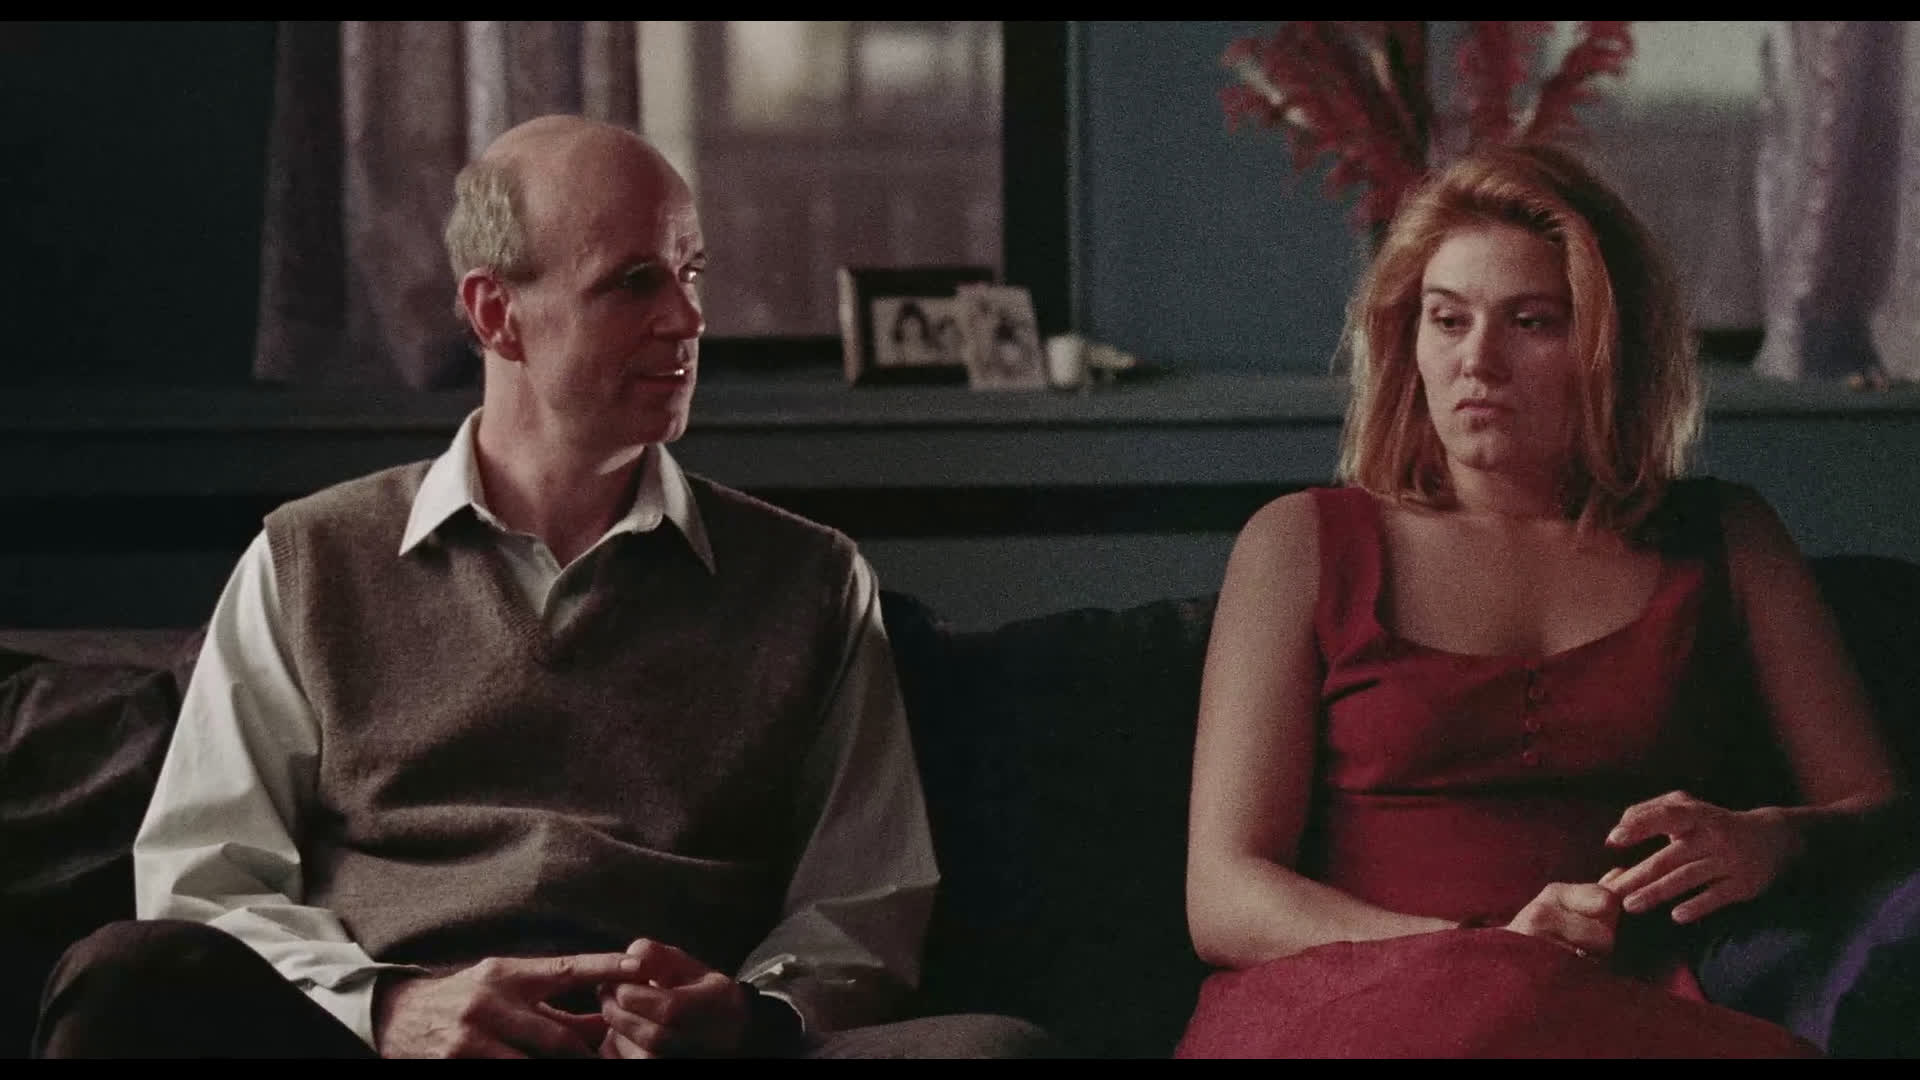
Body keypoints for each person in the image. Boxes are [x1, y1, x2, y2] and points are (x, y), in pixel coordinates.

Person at [34, 114, 1059, 1060]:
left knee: (990, 1052)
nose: (689, 317)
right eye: (634, 282)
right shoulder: (308, 559)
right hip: (384, 1040)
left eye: (691, 273)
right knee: (128, 977)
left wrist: (751, 1016)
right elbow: (205, 881)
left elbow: (864, 904)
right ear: (498, 313)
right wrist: (389, 1007)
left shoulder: (814, 582)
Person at [1175, 143, 1906, 1058]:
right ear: (1407, 341)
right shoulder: (1298, 543)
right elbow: (1225, 896)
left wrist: (1773, 841)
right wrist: (1481, 951)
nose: (1478, 361)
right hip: (1357, 995)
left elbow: (1881, 810)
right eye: (1448, 320)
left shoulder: (1729, 538)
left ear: (1609, 347)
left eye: (1531, 322)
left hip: (1630, 1005)